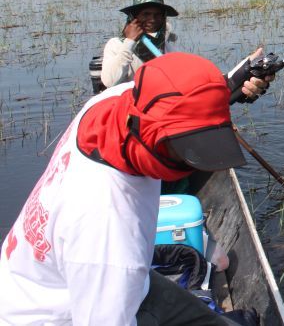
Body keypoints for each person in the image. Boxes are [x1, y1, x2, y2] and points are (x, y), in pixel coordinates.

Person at [0, 53, 260, 325]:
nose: (193, 156)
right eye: (185, 147)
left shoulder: (112, 102)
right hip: (59, 315)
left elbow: (180, 96)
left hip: (38, 283)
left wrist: (230, 84)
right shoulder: (108, 232)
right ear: (148, 131)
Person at [101, 0, 267, 101]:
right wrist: (130, 42)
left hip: (165, 108)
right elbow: (110, 81)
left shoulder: (168, 46)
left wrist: (243, 71)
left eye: (158, 15)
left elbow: (188, 80)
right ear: (133, 18)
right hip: (129, 110)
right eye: (146, 14)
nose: (152, 19)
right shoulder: (116, 44)